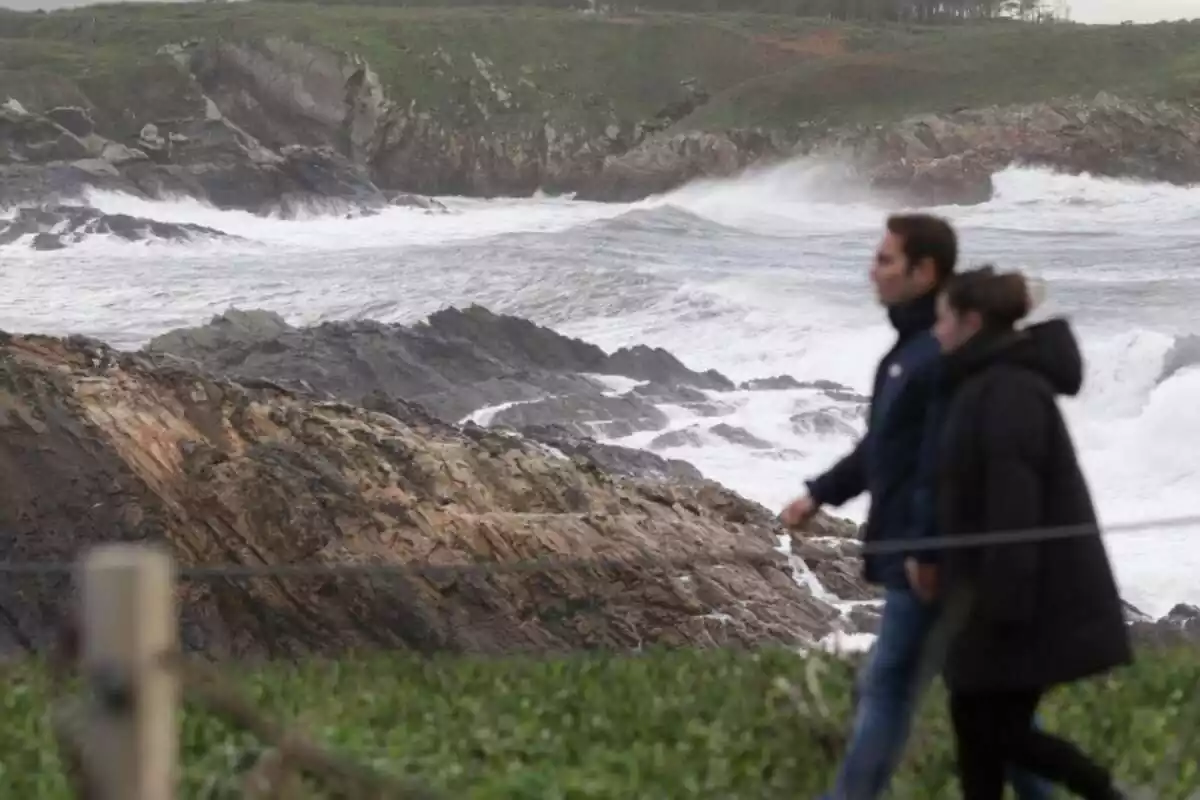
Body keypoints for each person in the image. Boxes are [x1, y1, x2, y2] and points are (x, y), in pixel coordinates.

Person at [780, 215, 1051, 800]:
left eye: (885, 260)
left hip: (932, 560)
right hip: (931, 553)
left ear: (924, 271)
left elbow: (947, 465)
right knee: (992, 704)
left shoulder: (939, 353)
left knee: (888, 691)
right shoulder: (913, 348)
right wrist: (819, 494)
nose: (871, 271)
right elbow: (888, 446)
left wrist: (928, 551)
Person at [930, 266, 1133, 800]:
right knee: (976, 725)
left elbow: (1013, 510)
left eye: (943, 319)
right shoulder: (985, 380)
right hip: (1000, 592)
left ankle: (1108, 792)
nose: (936, 331)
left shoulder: (1008, 391)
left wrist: (1002, 607)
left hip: (1022, 598)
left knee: (993, 728)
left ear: (972, 322)